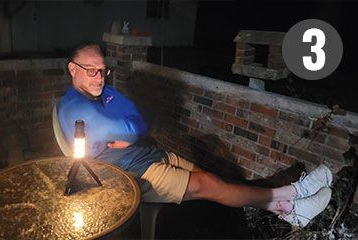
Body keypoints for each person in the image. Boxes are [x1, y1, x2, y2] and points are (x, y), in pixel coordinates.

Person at [58, 43, 333, 228]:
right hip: (133, 172)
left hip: (148, 153)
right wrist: (130, 128)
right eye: (91, 71)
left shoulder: (105, 92)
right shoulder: (73, 106)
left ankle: (288, 210)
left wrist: (131, 129)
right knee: (211, 184)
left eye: (103, 70)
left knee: (213, 179)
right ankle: (293, 193)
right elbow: (131, 126)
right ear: (73, 69)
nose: (99, 77)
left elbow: (141, 119)